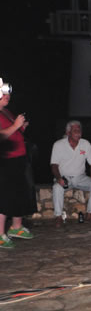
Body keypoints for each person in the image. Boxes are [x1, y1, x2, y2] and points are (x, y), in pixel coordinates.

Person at [0, 88, 36, 248]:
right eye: (3, 94)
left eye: (7, 94)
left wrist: (21, 127)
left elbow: (13, 132)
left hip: (18, 159)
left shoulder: (6, 111)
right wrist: (16, 126)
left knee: (19, 194)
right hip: (5, 161)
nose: (7, 96)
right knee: (4, 197)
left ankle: (16, 227)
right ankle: (0, 235)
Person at [51, 121, 91, 225]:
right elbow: (54, 165)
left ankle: (90, 214)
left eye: (79, 130)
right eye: (75, 131)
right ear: (68, 132)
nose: (78, 133)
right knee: (57, 188)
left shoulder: (85, 144)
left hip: (80, 177)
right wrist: (58, 178)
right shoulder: (58, 145)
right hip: (64, 178)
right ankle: (58, 216)